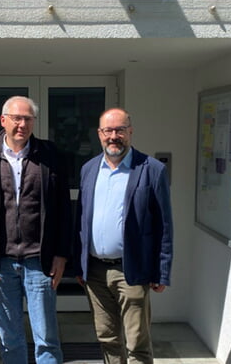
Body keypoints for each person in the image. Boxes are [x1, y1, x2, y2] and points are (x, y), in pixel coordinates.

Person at [0, 96, 72, 364]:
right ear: (3, 120)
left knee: (46, 338)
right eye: (17, 118)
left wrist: (61, 254)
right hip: (0, 262)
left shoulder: (51, 155)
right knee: (10, 338)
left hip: (40, 260)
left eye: (28, 118)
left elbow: (63, 209)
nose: (22, 124)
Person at [74, 108, 174, 364]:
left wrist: (161, 271)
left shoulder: (151, 169)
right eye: (108, 130)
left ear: (130, 131)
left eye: (120, 130)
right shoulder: (88, 169)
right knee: (107, 338)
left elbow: (164, 225)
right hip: (95, 271)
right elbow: (81, 220)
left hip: (132, 270)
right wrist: (79, 263)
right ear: (99, 134)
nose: (114, 136)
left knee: (137, 342)